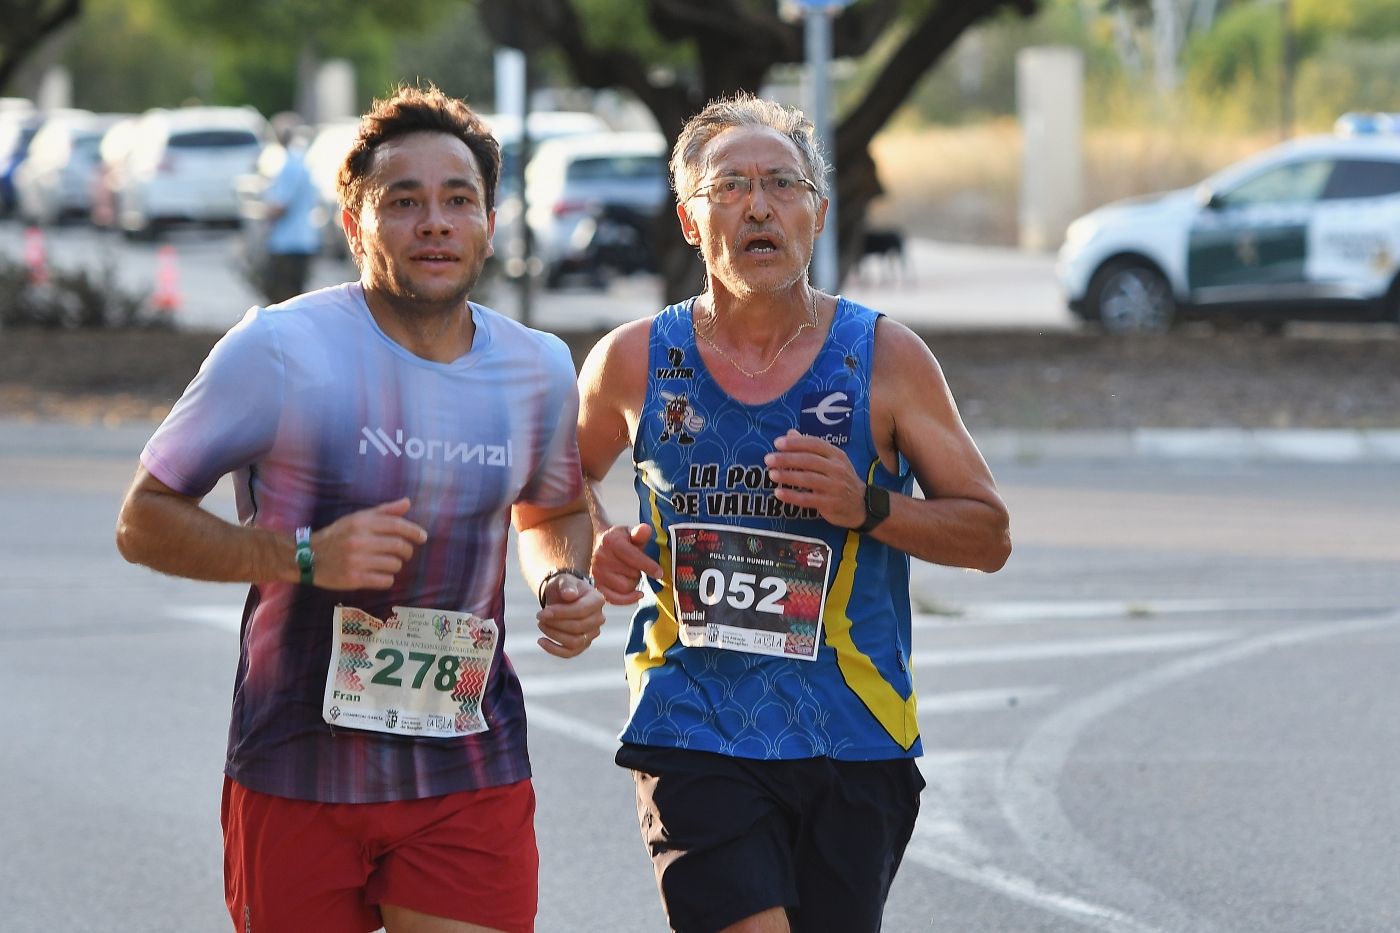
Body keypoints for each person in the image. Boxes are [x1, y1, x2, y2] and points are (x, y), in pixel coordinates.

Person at [115, 84, 605, 933]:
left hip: (468, 762)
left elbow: (553, 511)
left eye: (459, 201)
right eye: (403, 201)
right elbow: (144, 518)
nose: (435, 223)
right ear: (354, 223)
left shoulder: (539, 368)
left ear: (491, 223)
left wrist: (564, 579)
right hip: (298, 765)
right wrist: (299, 556)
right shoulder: (277, 350)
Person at [576, 92, 1012, 933]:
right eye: (730, 186)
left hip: (854, 733)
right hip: (691, 721)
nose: (758, 204)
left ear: (817, 212)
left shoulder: (886, 357)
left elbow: (988, 533)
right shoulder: (632, 360)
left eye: (782, 183)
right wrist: (594, 543)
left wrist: (869, 504)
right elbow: (555, 481)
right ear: (690, 220)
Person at [259, 112, 321, 304]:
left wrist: (263, 215)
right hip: (303, 239)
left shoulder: (290, 165)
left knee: (283, 299)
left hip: (288, 242)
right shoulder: (302, 161)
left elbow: (280, 206)